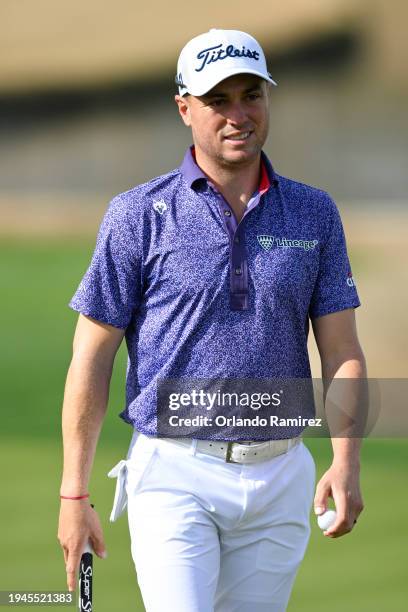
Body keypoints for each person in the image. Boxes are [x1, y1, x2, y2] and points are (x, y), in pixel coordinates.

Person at [58, 28, 366, 611]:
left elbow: (343, 349)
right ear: (184, 108)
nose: (237, 115)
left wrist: (345, 459)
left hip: (280, 477)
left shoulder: (315, 212)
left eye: (251, 95)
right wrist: (74, 492)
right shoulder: (138, 216)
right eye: (217, 100)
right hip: (175, 472)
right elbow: (91, 358)